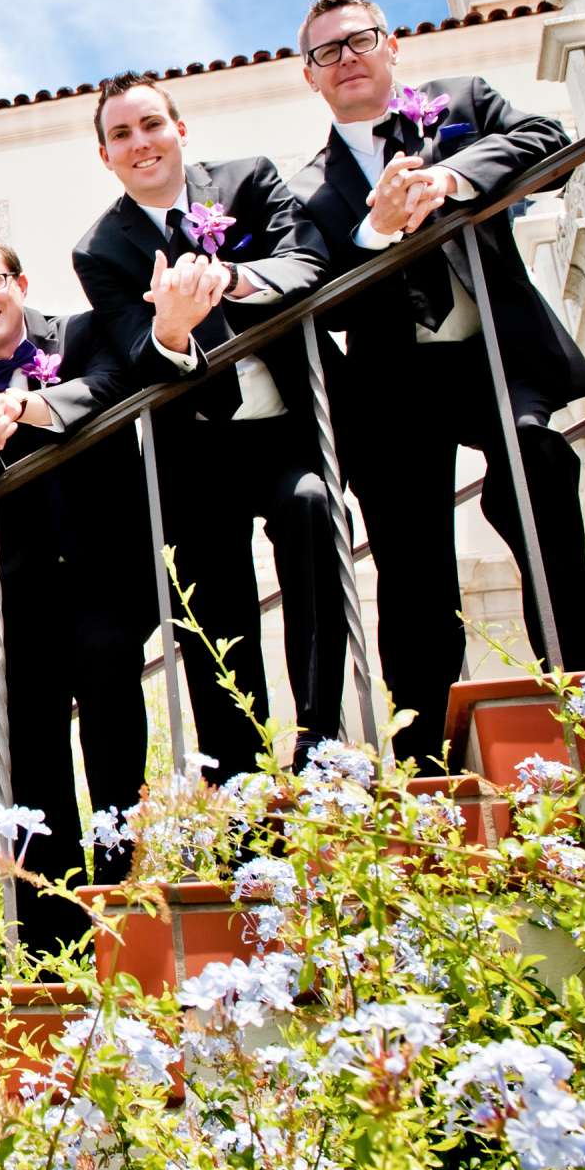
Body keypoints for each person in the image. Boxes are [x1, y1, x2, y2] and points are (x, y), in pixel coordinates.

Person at [288, 0, 585, 765]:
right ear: (311, 77)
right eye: (328, 52)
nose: (347, 58)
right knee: (412, 567)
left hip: (495, 352)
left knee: (539, 468)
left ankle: (583, 685)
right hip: (395, 389)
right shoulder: (306, 190)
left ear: (390, 47)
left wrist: (453, 181)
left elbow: (546, 140)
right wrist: (377, 230)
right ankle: (427, 754)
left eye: (359, 41)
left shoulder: (460, 104)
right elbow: (320, 293)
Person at [73, 72, 342, 775]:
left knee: (313, 511)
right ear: (105, 155)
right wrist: (170, 327)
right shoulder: (99, 249)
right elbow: (136, 349)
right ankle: (240, 781)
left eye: (152, 125)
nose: (141, 144)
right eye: (121, 135)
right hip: (195, 448)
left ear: (180, 129)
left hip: (284, 423)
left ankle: (322, 736)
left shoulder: (247, 178)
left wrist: (237, 280)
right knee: (216, 616)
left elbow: (306, 259)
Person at [0, 232, 150, 945]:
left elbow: (115, 384)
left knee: (113, 716)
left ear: (19, 283)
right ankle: (56, 934)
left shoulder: (82, 332)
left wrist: (24, 409)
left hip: (107, 569)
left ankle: (124, 884)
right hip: (18, 591)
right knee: (33, 750)